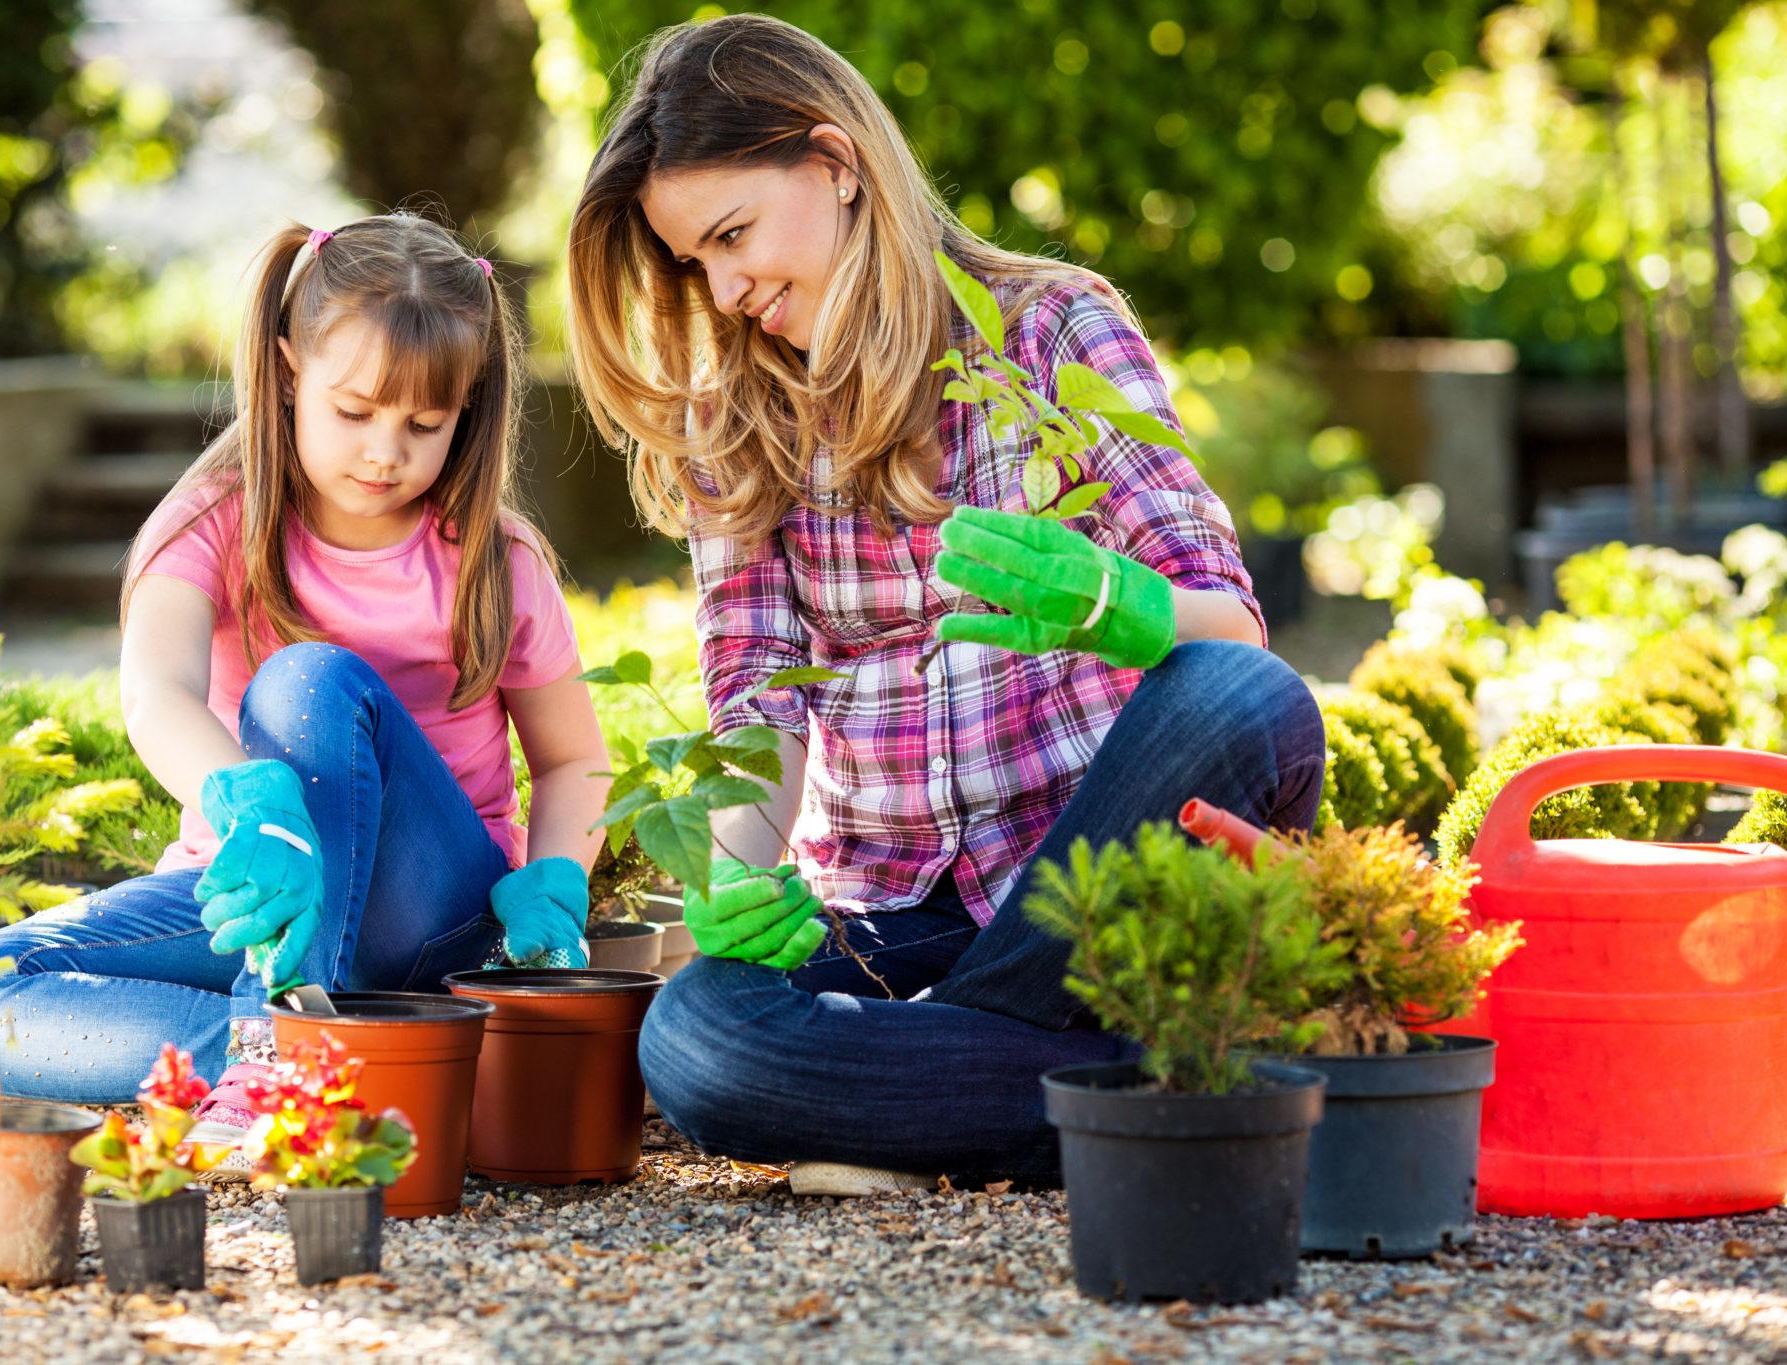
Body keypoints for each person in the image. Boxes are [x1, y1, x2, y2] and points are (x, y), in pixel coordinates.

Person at [566, 15, 1325, 1194]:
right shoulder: (740, 419)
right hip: (887, 909)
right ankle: (1143, 1086)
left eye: (732, 235)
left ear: (835, 164)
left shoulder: (1052, 327)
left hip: (1087, 882)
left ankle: (906, 1100)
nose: (724, 287)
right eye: (692, 264)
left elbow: (1228, 626)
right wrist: (731, 876)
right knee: (693, 1035)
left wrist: (1119, 609)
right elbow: (754, 690)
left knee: (1242, 696)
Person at [0, 214, 608, 1172]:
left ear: (468, 408)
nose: (385, 452)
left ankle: (272, 1046)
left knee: (307, 679)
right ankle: (303, 1063)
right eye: (355, 410)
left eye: (424, 424)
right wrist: (246, 800)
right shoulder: (212, 521)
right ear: (287, 372)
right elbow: (157, 690)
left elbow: (574, 757)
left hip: (430, 916)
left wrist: (560, 875)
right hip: (256, 907)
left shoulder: (494, 558)